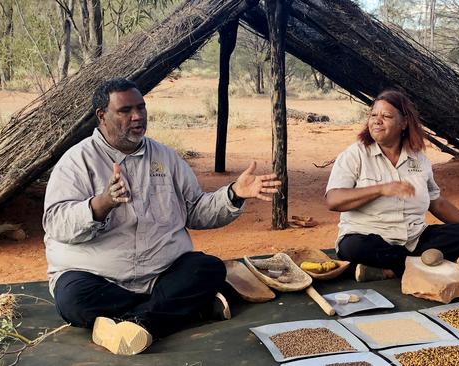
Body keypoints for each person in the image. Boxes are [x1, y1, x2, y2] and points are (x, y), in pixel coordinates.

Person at [43, 78, 281, 355]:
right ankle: (182, 309)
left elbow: (196, 211)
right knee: (73, 299)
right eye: (125, 110)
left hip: (161, 274)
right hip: (99, 278)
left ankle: (139, 322)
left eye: (141, 108)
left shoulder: (165, 157)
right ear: (101, 116)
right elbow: (56, 223)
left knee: (208, 269)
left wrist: (234, 194)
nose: (137, 117)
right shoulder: (77, 161)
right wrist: (102, 203)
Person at [325, 89, 459, 282]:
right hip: (370, 237)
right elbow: (333, 200)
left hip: (413, 239)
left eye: (386, 116)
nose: (376, 121)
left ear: (404, 123)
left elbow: (437, 202)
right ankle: (420, 265)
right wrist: (380, 189)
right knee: (354, 247)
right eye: (373, 115)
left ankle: (390, 270)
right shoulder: (355, 154)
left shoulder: (419, 159)